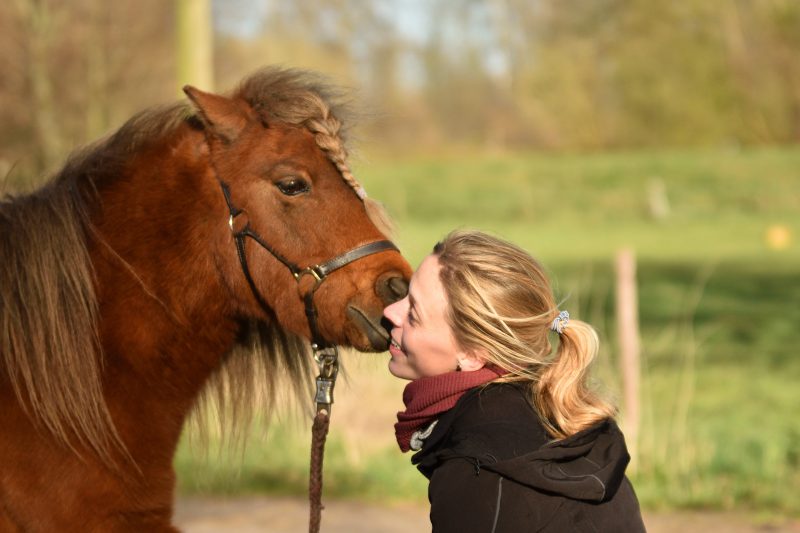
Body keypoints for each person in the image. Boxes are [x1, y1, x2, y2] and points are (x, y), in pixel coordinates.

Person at [383, 230, 646, 532]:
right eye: (406, 295)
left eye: (414, 314)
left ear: (472, 354)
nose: (391, 312)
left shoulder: (474, 470)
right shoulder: (565, 423)